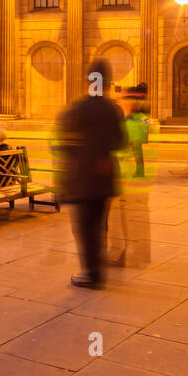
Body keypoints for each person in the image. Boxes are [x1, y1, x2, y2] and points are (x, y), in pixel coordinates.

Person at [54, 57, 127, 289]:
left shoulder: (75, 110)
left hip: (83, 180)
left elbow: (63, 147)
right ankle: (98, 267)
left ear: (88, 81)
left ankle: (92, 274)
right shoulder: (113, 110)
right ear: (106, 83)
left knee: (84, 228)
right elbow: (121, 142)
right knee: (100, 224)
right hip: (104, 178)